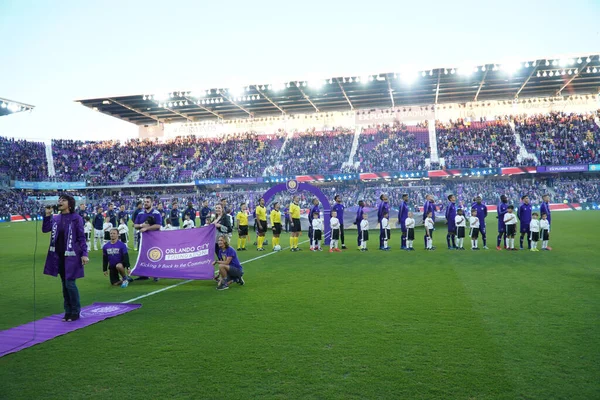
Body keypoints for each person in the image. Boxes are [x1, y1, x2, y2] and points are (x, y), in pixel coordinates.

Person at [42, 194, 89, 322]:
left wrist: (85, 254)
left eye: (63, 200)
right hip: (58, 256)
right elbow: (45, 229)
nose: (60, 202)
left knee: (70, 284)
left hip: (72, 256)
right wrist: (47, 215)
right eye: (59, 200)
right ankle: (67, 311)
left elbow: (81, 237)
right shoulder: (56, 218)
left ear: (70, 204)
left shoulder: (76, 218)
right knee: (64, 285)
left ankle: (75, 311)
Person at [133, 196, 163, 281]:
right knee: (142, 256)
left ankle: (155, 274)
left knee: (154, 255)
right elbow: (135, 225)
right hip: (142, 239)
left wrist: (147, 228)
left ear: (152, 203)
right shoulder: (140, 214)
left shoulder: (156, 213)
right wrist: (142, 225)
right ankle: (144, 274)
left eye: (147, 202)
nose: (146, 203)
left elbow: (158, 225)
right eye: (145, 202)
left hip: (154, 239)